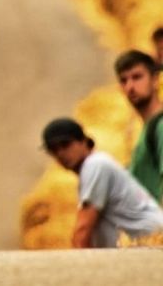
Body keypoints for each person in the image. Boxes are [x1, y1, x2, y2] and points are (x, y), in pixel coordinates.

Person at [41, 117, 163, 247]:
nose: (60, 153)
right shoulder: (95, 165)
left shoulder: (95, 164)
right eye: (53, 149)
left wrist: (76, 264)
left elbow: (83, 228)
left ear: (83, 141)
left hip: (153, 244)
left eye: (65, 145)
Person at [114, 50, 163, 202]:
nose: (130, 86)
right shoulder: (147, 131)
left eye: (137, 77)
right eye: (124, 80)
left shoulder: (160, 127)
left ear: (154, 80)